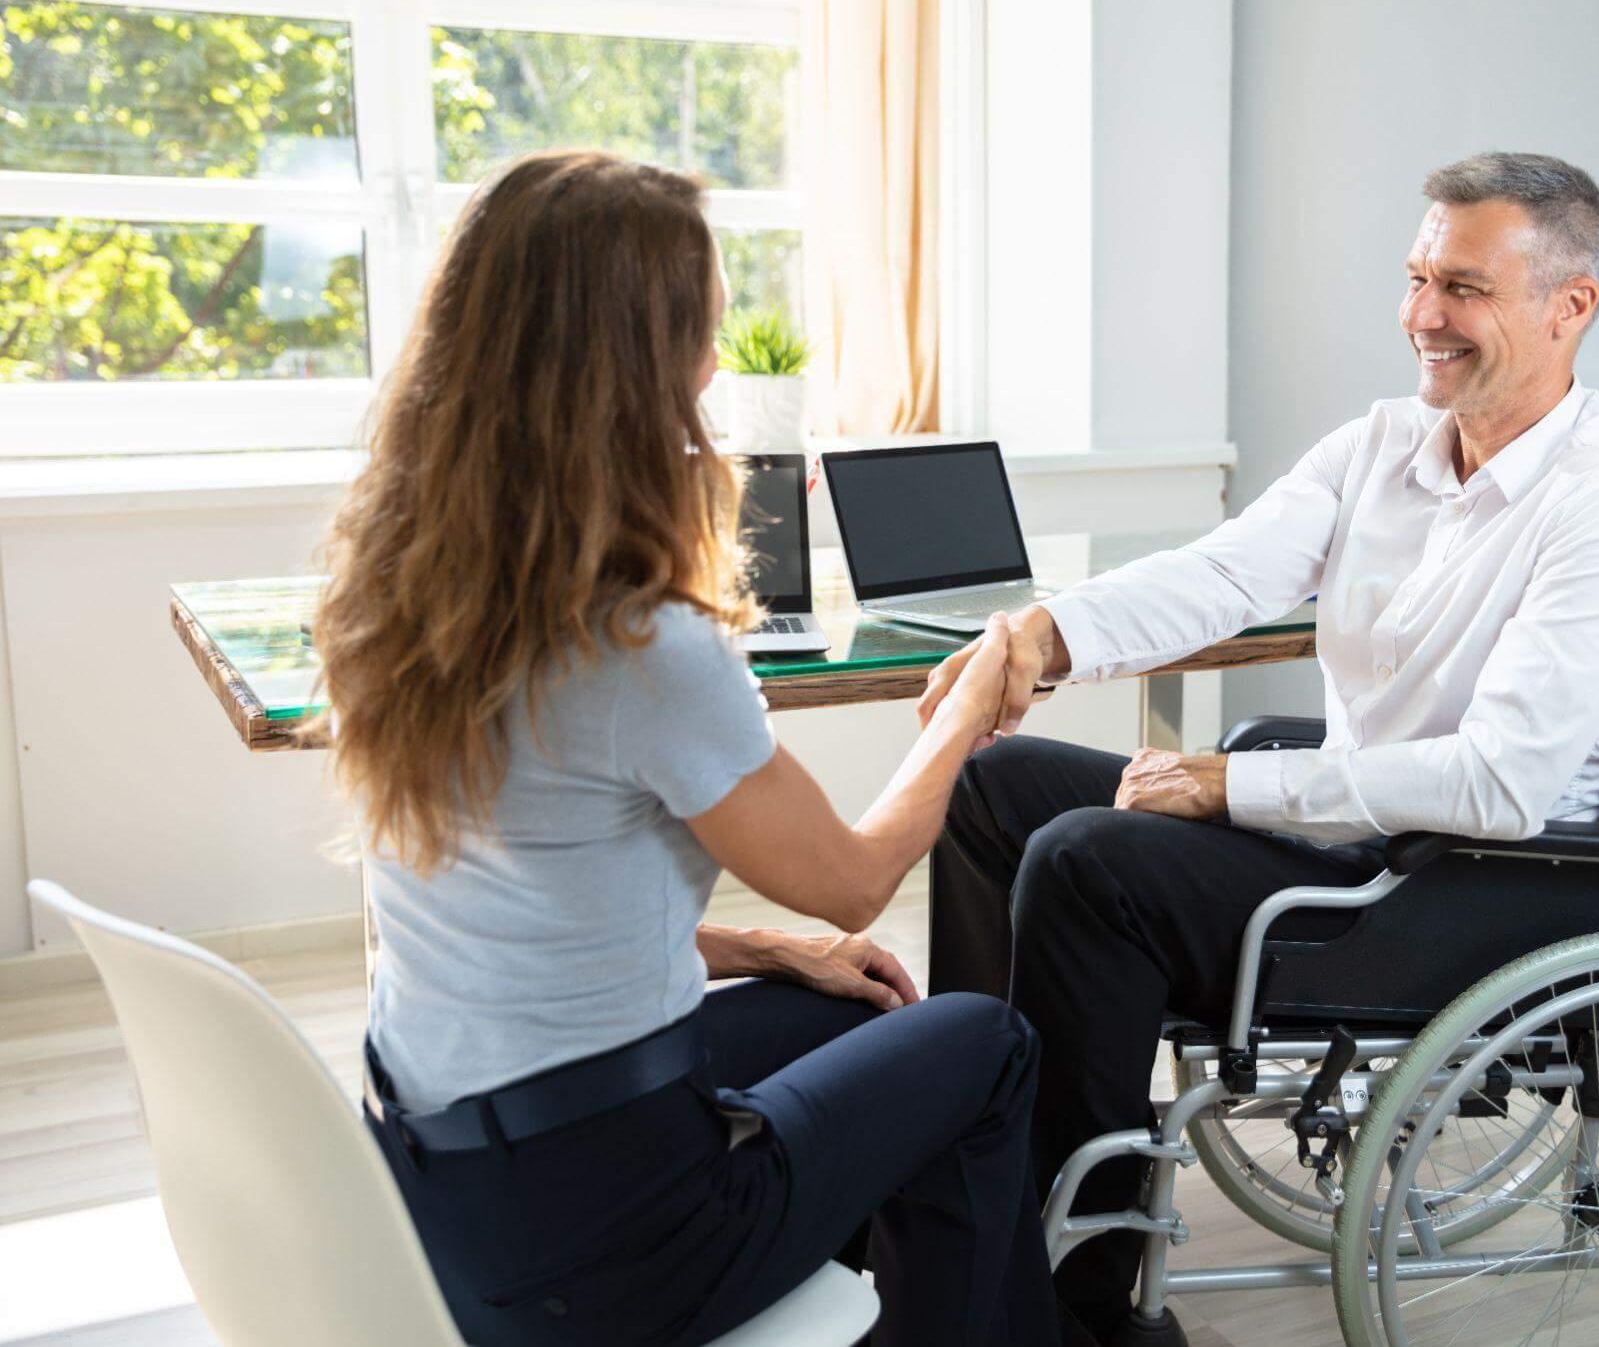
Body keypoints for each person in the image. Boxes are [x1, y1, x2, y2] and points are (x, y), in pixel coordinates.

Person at [915, 151, 1599, 1342]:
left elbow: (1497, 780)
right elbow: (1221, 575)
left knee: (1088, 860)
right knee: (993, 786)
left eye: (1463, 287)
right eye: (1416, 276)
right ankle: (973, 1174)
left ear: (1568, 306)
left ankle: (1074, 1299)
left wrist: (1233, 783)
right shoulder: (1383, 443)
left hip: (1468, 889)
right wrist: (1043, 635)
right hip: (1347, 846)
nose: (1421, 316)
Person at [315, 150, 1057, 1347]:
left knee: (854, 1018)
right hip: (610, 1249)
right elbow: (859, 877)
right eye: (701, 333)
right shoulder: (637, 642)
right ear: (635, 365)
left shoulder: (394, 593)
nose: (714, 362)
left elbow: (530, 893)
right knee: (985, 1045)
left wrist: (761, 947)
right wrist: (970, 703)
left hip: (442, 1201)